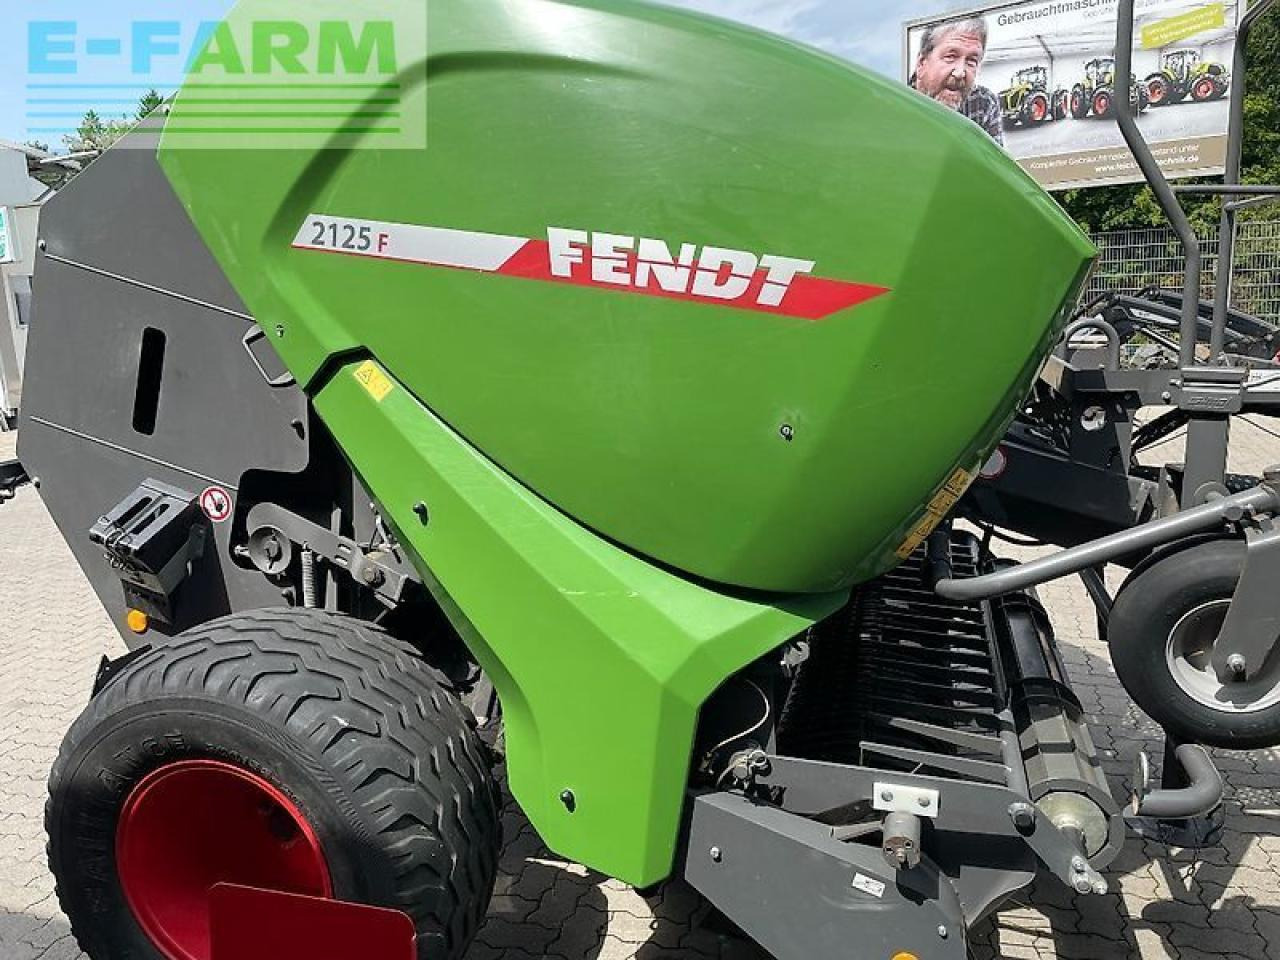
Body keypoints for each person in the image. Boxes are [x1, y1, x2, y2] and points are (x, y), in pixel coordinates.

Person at [909, 17, 1004, 147]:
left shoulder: (984, 103)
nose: (960, 73)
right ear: (921, 63)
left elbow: (993, 159)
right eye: (951, 57)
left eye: (971, 61)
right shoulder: (895, 103)